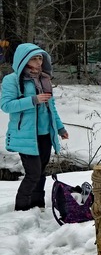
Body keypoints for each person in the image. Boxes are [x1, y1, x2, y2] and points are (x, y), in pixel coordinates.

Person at [1, 43, 69, 211]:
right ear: (23, 60)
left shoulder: (44, 79)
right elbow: (6, 105)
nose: (39, 62)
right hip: (25, 135)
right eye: (34, 58)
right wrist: (33, 100)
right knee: (33, 173)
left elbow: (51, 108)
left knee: (41, 172)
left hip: (45, 134)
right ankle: (21, 208)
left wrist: (60, 128)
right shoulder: (12, 80)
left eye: (40, 58)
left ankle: (38, 206)